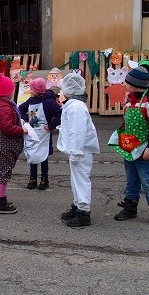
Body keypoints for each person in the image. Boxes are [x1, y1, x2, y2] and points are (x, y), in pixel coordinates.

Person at [109, 67, 149, 227]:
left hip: (146, 150)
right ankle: (130, 207)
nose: (124, 85)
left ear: (135, 84)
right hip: (131, 148)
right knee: (132, 180)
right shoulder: (130, 100)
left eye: (126, 82)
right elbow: (127, 122)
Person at [57, 73, 100, 227]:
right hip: (78, 149)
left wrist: (75, 152)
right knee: (76, 179)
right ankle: (77, 205)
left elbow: (78, 131)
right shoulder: (74, 105)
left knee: (81, 179)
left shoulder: (75, 107)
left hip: (81, 150)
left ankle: (83, 211)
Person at [0, 70, 28, 213]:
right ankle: (0, 202)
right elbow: (6, 127)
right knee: (4, 171)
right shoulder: (4, 106)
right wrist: (21, 130)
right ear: (7, 91)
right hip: (3, 142)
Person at [18, 77, 62, 190]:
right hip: (33, 132)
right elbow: (21, 109)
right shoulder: (31, 100)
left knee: (43, 156)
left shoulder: (48, 102)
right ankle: (32, 178)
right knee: (32, 154)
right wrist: (25, 120)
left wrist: (51, 126)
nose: (30, 91)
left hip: (44, 133)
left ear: (38, 91)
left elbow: (59, 113)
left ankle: (44, 178)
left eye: (32, 89)